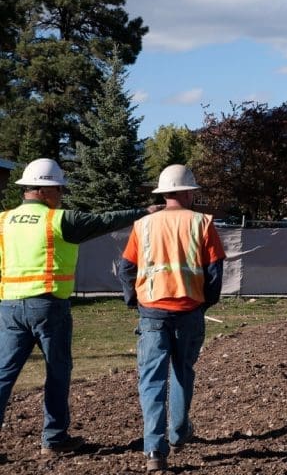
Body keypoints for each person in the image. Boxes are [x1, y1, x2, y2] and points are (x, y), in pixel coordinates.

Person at [0, 158, 161, 459]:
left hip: (8, 307)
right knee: (58, 372)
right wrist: (144, 211)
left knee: (3, 375)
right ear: (46, 190)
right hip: (48, 307)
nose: (61, 195)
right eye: (59, 189)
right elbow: (105, 220)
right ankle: (54, 438)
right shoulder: (60, 220)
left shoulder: (3, 220)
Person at [116, 164, 225, 473]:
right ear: (186, 192)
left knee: (151, 381)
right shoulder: (203, 223)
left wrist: (134, 300)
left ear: (164, 193)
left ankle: (154, 451)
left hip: (151, 312)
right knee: (182, 372)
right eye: (193, 191)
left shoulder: (144, 225)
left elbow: (126, 268)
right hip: (189, 311)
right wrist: (205, 303)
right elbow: (215, 272)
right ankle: (178, 433)